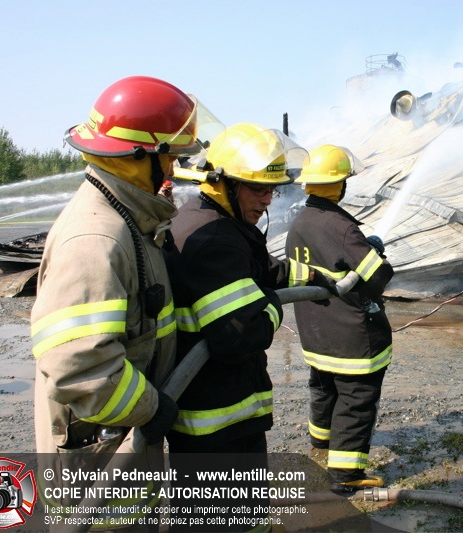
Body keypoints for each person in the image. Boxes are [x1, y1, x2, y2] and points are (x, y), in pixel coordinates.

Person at [31, 76, 200, 517]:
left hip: (119, 445)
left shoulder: (126, 219)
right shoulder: (97, 239)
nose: (173, 170)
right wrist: (151, 407)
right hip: (97, 465)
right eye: (170, 156)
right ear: (140, 157)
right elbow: (79, 366)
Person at [164, 122, 333, 454]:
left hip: (213, 412)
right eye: (257, 189)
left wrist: (311, 276)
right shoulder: (215, 241)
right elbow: (240, 336)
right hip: (219, 422)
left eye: (272, 190)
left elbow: (258, 267)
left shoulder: (206, 218)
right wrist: (272, 303)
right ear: (224, 182)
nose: (267, 200)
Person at [285, 144, 394, 491]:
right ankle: (346, 475)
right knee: (356, 400)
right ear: (340, 185)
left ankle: (321, 443)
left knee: (324, 388)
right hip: (351, 336)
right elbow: (377, 277)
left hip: (315, 332)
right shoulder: (342, 227)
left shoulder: (299, 223)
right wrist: (376, 254)